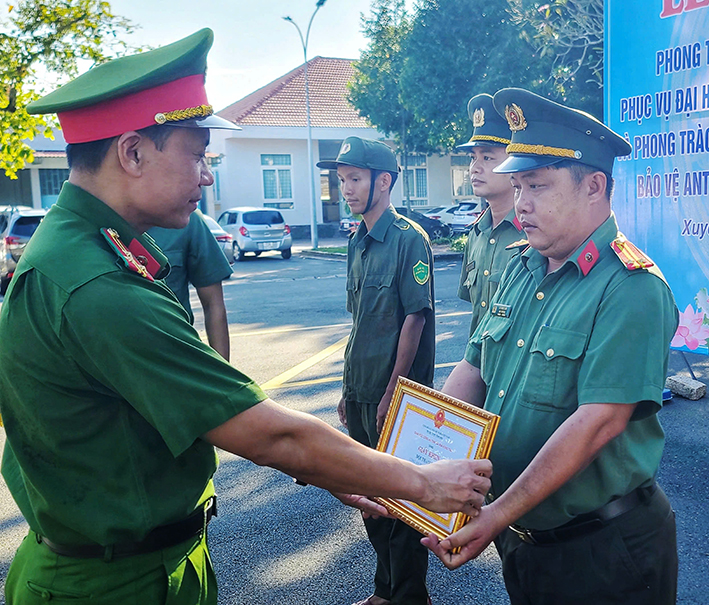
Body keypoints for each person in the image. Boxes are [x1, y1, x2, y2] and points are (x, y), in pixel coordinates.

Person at [0, 30, 493, 605]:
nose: (206, 175)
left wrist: (336, 470)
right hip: (113, 585)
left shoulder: (88, 249)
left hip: (137, 562)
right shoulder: (97, 286)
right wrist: (422, 483)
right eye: (196, 155)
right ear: (132, 153)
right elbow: (267, 432)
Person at [422, 88, 679, 605]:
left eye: (537, 186)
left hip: (605, 552)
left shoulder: (631, 288)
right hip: (525, 542)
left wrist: (496, 515)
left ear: (595, 187)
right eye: (517, 187)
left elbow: (597, 423)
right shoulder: (521, 266)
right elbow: (473, 370)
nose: (522, 204)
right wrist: (411, 469)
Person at [318, 137, 436, 605]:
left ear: (383, 182)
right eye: (341, 179)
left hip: (397, 398)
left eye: (354, 179)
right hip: (363, 390)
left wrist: (394, 393)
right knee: (371, 500)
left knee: (401, 503)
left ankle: (408, 596)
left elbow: (414, 320)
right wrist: (351, 390)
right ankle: (385, 591)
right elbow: (359, 323)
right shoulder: (356, 241)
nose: (345, 188)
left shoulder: (410, 239)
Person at [456, 93, 524, 335]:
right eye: (473, 158)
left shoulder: (534, 232)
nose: (475, 167)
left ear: (515, 162)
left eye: (487, 157)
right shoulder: (476, 235)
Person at [149, 210, 232, 359]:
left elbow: (213, 304)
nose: (205, 185)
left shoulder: (187, 218)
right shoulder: (96, 216)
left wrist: (224, 374)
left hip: (176, 359)